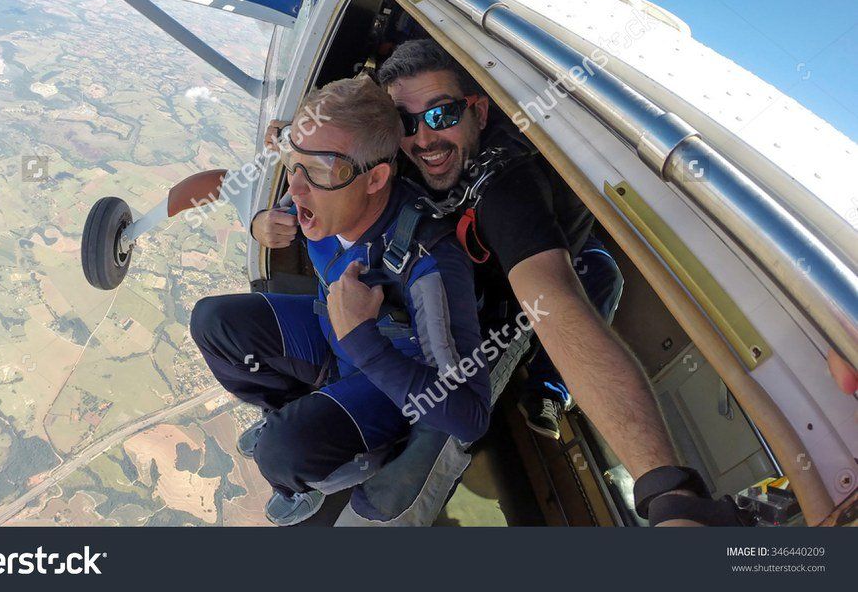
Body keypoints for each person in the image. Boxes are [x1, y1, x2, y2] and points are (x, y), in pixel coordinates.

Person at [374, 38, 744, 526]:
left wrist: (669, 493)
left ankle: (546, 388)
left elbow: (557, 300)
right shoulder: (405, 147)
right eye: (406, 121)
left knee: (593, 280)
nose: (423, 139)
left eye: (442, 115)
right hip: (475, 270)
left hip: (540, 262)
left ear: (479, 114)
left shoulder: (505, 182)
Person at [191, 75, 489, 526]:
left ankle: (315, 479)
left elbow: (469, 416)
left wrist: (364, 341)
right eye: (294, 164)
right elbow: (306, 173)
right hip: (334, 334)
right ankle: (292, 412)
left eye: (321, 170)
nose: (296, 189)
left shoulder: (430, 265)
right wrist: (259, 222)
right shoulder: (323, 194)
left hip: (387, 379)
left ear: (376, 179)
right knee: (213, 321)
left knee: (281, 454)